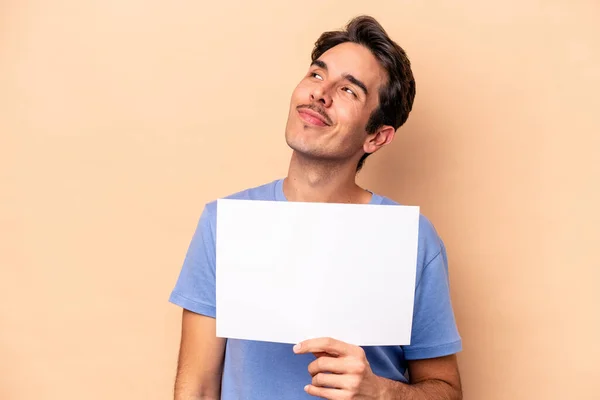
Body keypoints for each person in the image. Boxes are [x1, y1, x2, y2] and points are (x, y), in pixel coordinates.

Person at [169, 15, 462, 400]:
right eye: (317, 75)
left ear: (376, 136)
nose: (320, 95)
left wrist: (381, 392)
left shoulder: (412, 239)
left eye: (349, 91)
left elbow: (447, 390)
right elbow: (197, 387)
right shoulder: (225, 223)